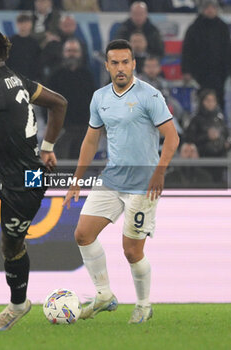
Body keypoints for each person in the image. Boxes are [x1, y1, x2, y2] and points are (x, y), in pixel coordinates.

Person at [63, 39, 179, 323]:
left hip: (143, 184)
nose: (120, 68)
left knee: (131, 251)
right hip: (111, 179)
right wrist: (76, 180)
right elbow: (91, 140)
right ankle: (104, 295)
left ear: (133, 64)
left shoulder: (149, 96)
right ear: (107, 66)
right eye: (114, 63)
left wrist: (160, 171)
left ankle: (143, 305)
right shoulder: (100, 97)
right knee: (82, 234)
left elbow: (172, 137)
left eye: (125, 62)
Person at [0, 31, 67, 331]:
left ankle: (18, 305)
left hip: (24, 179)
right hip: (24, 171)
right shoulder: (17, 80)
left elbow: (60, 104)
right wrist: (48, 149)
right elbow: (60, 103)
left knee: (12, 246)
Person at [48, 38, 95, 159]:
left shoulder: (87, 76)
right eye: (69, 50)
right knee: (62, 166)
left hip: (83, 128)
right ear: (63, 53)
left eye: (75, 51)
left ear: (80, 53)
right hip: (62, 130)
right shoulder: (55, 75)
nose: (71, 54)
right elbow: (46, 103)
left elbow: (94, 102)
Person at [181, 0, 231, 109]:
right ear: (203, 10)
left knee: (219, 99)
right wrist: (186, 71)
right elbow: (187, 51)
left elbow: (227, 50)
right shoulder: (194, 28)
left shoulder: (223, 27)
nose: (210, 10)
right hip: (200, 73)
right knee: (202, 99)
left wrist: (227, 70)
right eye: (207, 8)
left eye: (213, 8)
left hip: (219, 73)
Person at [6, 13, 41, 81]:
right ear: (17, 24)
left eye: (26, 22)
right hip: (13, 78)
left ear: (30, 24)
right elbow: (7, 61)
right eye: (21, 22)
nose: (23, 25)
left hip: (31, 79)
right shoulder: (10, 42)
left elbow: (37, 62)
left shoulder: (34, 43)